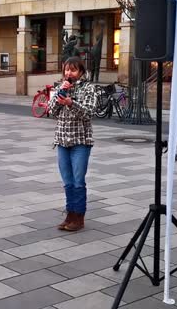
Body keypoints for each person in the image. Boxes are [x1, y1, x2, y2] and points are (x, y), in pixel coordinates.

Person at [47, 57, 98, 232]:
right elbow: (51, 111)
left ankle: (79, 217)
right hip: (62, 140)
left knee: (78, 181)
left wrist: (71, 103)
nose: (69, 73)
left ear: (81, 72)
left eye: (73, 70)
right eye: (67, 70)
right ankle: (70, 214)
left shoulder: (89, 88)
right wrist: (60, 94)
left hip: (80, 142)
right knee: (68, 182)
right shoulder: (60, 86)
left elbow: (89, 113)